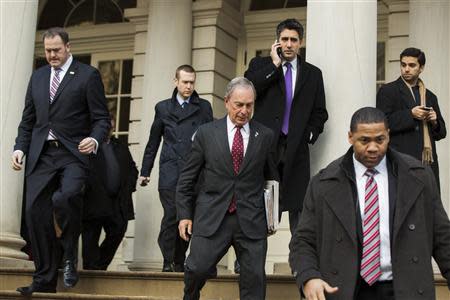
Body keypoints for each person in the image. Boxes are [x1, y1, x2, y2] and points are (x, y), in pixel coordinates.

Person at [289, 107, 450, 300]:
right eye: (364, 140)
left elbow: (442, 238)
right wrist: (309, 277)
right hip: (347, 290)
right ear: (350, 137)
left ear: (388, 136)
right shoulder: (323, 183)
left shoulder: (419, 177)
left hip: (405, 289)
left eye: (379, 140)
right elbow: (303, 241)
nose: (373, 147)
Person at [12, 27, 110, 295]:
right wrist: (19, 148)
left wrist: (95, 139)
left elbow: (102, 118)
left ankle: (69, 255)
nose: (51, 55)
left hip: (73, 152)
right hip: (41, 154)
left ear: (68, 47)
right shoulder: (38, 77)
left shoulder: (88, 75)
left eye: (56, 50)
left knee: (64, 198)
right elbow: (28, 120)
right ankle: (44, 279)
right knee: (34, 213)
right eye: (47, 51)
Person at [177, 77, 278, 300]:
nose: (244, 110)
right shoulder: (206, 133)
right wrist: (184, 215)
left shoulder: (266, 136)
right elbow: (187, 179)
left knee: (254, 282)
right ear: (226, 102)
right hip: (212, 216)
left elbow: (272, 180)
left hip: (251, 220)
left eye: (249, 105)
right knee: (197, 269)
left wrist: (271, 218)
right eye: (238, 105)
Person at [244, 18, 328, 234]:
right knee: (261, 204)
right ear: (277, 41)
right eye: (285, 39)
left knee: (298, 207)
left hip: (296, 147)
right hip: (265, 147)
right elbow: (248, 91)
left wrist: (309, 134)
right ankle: (249, 261)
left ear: (300, 42)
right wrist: (274, 65)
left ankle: (299, 264)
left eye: (293, 40)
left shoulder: (313, 74)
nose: (289, 44)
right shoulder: (260, 65)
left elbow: (320, 112)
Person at [140, 65, 213, 272]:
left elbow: (211, 139)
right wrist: (146, 171)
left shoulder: (204, 107)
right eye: (185, 82)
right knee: (172, 215)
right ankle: (167, 260)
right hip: (170, 171)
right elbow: (153, 141)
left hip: (194, 173)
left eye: (192, 82)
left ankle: (179, 261)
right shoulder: (162, 108)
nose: (189, 86)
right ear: (176, 82)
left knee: (187, 217)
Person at [376, 47, 446, 189]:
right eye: (403, 65)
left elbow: (442, 133)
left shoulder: (430, 96)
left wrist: (434, 121)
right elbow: (382, 124)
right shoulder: (388, 91)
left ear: (421, 68)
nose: (406, 69)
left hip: (427, 164)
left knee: (428, 208)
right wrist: (411, 114)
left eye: (412, 65)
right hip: (401, 162)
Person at [82, 116, 138, 270]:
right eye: (106, 127)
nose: (108, 131)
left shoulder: (119, 145)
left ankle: (99, 265)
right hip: (94, 199)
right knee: (91, 236)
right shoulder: (88, 145)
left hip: (117, 201)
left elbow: (132, 168)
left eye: (111, 128)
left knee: (118, 230)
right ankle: (90, 269)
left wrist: (129, 186)